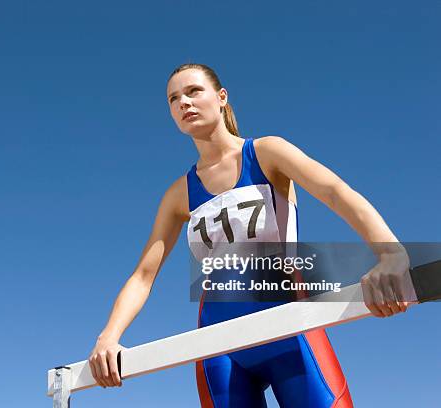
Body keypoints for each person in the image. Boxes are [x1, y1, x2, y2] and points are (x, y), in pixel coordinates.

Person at [88, 63, 413, 407]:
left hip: (289, 325)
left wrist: (391, 253)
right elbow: (143, 275)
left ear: (221, 97)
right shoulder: (178, 195)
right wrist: (109, 336)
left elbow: (335, 191)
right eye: (174, 99)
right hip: (219, 342)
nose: (184, 102)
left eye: (194, 91)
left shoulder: (266, 152)